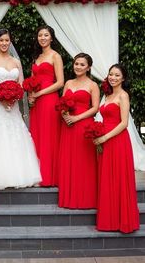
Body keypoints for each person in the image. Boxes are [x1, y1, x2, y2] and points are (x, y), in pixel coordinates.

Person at [0, 28, 42, 190]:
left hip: (13, 106)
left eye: (7, 40)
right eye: (1, 40)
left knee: (16, 136)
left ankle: (20, 174)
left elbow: (21, 83)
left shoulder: (16, 62)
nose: (4, 43)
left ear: (10, 41)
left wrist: (14, 97)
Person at [94, 64, 139, 233]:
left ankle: (122, 220)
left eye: (117, 75)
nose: (113, 77)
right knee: (107, 178)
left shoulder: (123, 96)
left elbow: (124, 123)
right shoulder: (108, 95)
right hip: (104, 139)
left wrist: (105, 137)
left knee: (119, 178)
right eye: (111, 74)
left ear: (123, 78)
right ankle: (109, 220)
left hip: (117, 141)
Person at [58, 53, 100, 209]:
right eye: (76, 64)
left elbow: (95, 108)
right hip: (67, 125)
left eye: (82, 64)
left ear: (88, 67)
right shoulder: (68, 83)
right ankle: (69, 199)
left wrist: (76, 118)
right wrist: (65, 115)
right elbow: (62, 103)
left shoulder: (92, 85)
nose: (78, 67)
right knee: (69, 161)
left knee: (83, 162)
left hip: (83, 125)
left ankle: (85, 199)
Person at [29, 25, 64, 186]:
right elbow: (31, 81)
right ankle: (38, 175)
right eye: (40, 35)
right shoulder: (36, 57)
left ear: (51, 38)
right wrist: (31, 96)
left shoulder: (55, 56)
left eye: (46, 35)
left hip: (50, 100)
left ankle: (51, 176)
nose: (42, 38)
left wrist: (40, 93)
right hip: (36, 102)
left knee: (49, 136)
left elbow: (60, 82)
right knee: (37, 135)